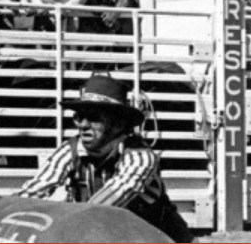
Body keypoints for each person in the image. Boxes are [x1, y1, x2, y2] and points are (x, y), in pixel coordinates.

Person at [15, 74, 193, 242]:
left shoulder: (140, 156)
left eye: (93, 117)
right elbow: (33, 190)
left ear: (118, 124)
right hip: (105, 235)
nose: (83, 125)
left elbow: (110, 199)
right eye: (79, 117)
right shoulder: (70, 150)